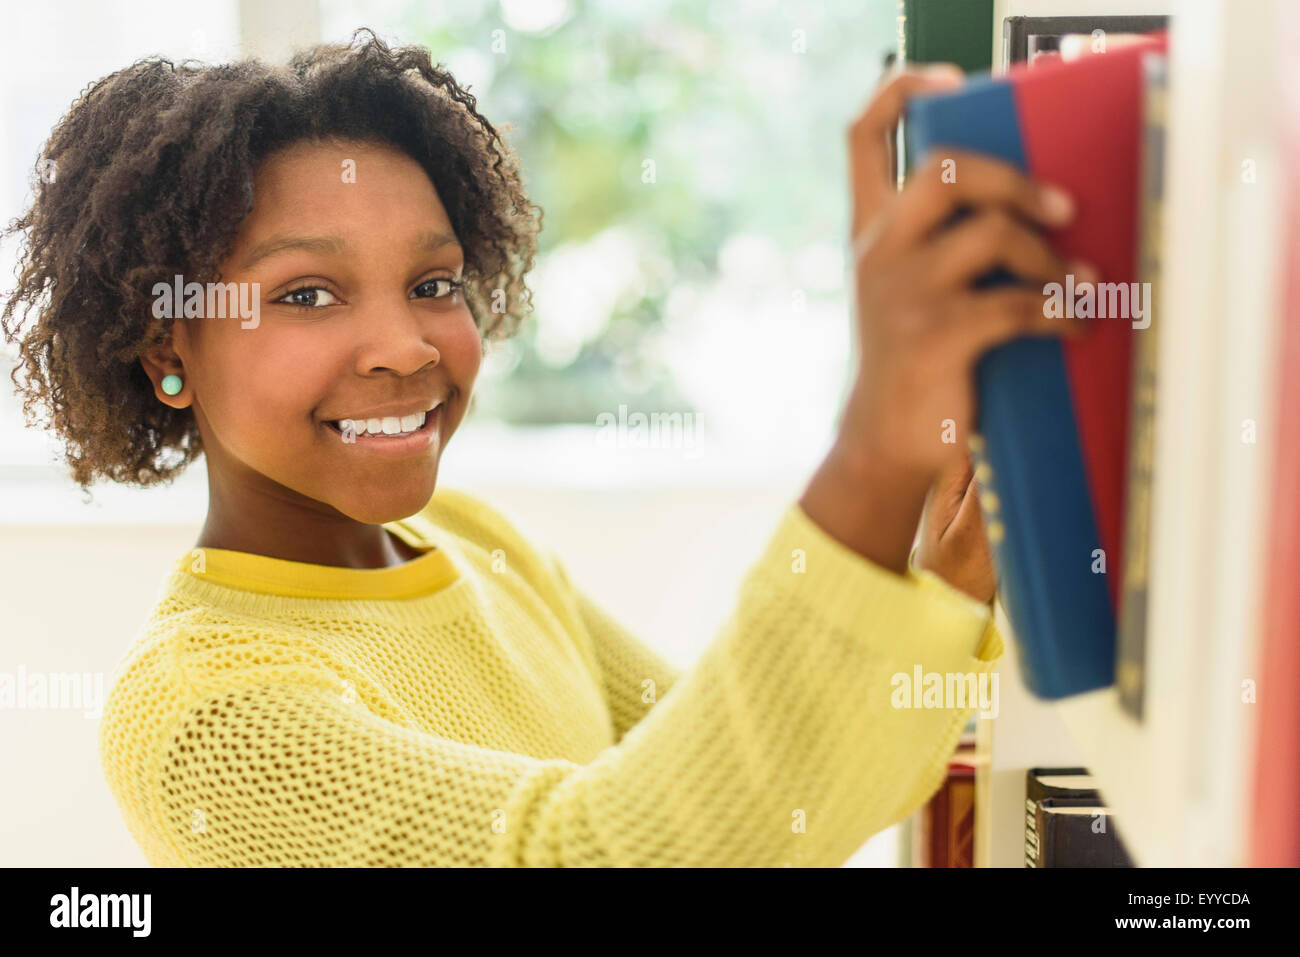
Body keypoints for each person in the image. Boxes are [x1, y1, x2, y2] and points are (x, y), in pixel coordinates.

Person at [1, 34, 1087, 866]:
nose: (405, 346)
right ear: (164, 351)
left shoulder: (475, 541)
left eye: (434, 284)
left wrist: (944, 579)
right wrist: (869, 449)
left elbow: (763, 791)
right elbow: (587, 851)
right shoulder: (205, 716)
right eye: (306, 293)